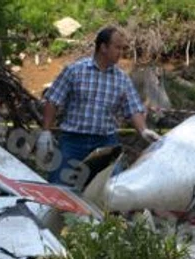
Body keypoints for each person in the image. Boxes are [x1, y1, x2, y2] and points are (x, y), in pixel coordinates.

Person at [37, 26, 160, 189]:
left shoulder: (121, 79)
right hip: (73, 141)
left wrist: (144, 130)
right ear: (103, 47)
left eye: (122, 48)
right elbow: (53, 100)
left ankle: (102, 214)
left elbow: (134, 108)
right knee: (58, 187)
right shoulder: (75, 71)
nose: (121, 52)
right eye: (117, 47)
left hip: (106, 142)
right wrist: (45, 131)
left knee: (110, 190)